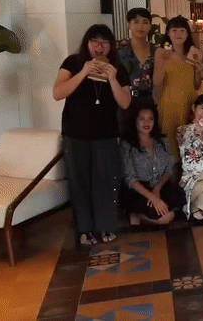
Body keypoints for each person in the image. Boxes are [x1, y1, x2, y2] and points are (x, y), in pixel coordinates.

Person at [53, 24, 131, 245]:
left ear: (111, 46)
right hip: (75, 133)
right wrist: (84, 73)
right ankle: (84, 229)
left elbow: (125, 102)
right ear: (87, 44)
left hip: (106, 134)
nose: (100, 47)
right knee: (80, 182)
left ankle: (105, 226)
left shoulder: (117, 68)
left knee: (105, 181)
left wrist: (112, 79)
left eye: (105, 43)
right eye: (95, 42)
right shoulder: (72, 63)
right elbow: (57, 93)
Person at [120, 101, 185, 226]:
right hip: (139, 191)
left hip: (160, 186)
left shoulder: (163, 141)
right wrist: (152, 198)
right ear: (135, 120)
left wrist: (157, 189)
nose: (147, 123)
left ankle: (156, 216)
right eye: (142, 119)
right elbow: (130, 179)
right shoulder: (127, 145)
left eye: (150, 119)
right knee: (165, 217)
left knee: (180, 195)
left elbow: (169, 169)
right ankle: (137, 215)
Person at [154, 16, 203, 161]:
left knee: (190, 148)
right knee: (171, 148)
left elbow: (196, 85)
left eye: (182, 30)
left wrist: (198, 71)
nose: (178, 34)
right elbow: (156, 82)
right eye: (174, 30)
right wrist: (164, 62)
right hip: (170, 105)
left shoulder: (193, 53)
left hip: (189, 104)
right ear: (168, 33)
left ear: (187, 34)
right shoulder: (161, 52)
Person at [118, 8, 156, 104]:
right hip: (125, 101)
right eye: (136, 22)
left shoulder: (156, 51)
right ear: (129, 25)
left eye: (145, 22)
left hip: (150, 102)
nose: (141, 26)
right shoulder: (119, 48)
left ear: (150, 26)